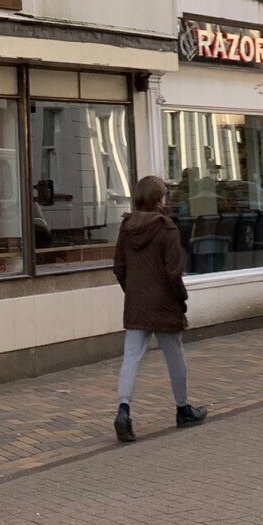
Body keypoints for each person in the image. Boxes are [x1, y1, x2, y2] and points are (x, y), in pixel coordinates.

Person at [111, 175, 205, 441]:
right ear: (157, 199)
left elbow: (119, 267)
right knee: (175, 357)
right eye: (164, 194)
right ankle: (183, 409)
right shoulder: (167, 229)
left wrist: (133, 291)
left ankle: (123, 409)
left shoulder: (126, 227)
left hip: (137, 304)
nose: (166, 198)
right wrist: (181, 299)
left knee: (131, 357)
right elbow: (173, 272)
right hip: (164, 304)